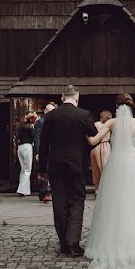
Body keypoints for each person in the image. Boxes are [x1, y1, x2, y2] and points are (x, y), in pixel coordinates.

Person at [85, 95, 135, 269]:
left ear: (117, 107)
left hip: (115, 163)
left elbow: (93, 141)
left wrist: (84, 134)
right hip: (134, 164)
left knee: (113, 202)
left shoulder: (111, 123)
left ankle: (112, 241)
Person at [38, 85, 97, 257]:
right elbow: (93, 135)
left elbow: (43, 145)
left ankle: (64, 243)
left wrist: (42, 169)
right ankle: (73, 243)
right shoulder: (83, 115)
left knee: (59, 202)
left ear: (62, 97)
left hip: (55, 164)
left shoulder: (51, 116)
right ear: (76, 98)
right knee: (77, 200)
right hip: (76, 164)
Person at [34, 102, 56, 203]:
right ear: (45, 111)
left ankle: (48, 193)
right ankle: (44, 193)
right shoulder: (40, 122)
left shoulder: (56, 121)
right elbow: (37, 138)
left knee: (52, 172)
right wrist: (38, 152)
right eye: (49, 110)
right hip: (44, 150)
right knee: (44, 172)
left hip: (54, 150)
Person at [90, 110, 113, 191]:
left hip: (95, 147)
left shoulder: (96, 124)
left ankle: (98, 189)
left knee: (96, 168)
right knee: (106, 168)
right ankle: (107, 188)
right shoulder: (110, 125)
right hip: (106, 146)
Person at [16, 112, 37, 196]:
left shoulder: (20, 126)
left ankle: (26, 191)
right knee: (27, 170)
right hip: (27, 146)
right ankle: (21, 189)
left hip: (20, 147)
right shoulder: (30, 127)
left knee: (23, 169)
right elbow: (33, 136)